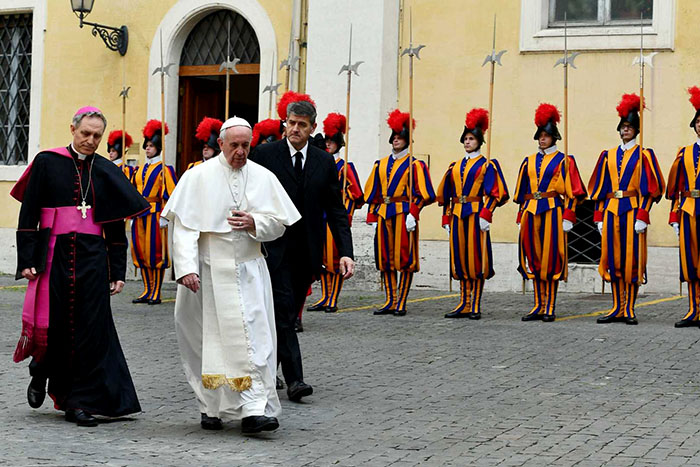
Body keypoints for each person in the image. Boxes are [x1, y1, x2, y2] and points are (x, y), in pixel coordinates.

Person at [11, 106, 149, 427]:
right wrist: (27, 260)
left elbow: (115, 227)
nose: (90, 140)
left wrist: (117, 271)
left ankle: (78, 401)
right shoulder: (47, 162)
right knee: (54, 324)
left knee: (88, 331)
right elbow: (29, 212)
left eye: (96, 136)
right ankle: (40, 370)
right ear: (72, 129)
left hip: (91, 259)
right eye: (85, 133)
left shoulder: (105, 170)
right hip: (53, 255)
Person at [163, 116, 300, 434]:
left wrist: (255, 223)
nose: (240, 152)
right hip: (206, 271)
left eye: (245, 146)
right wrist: (186, 269)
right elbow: (183, 228)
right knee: (202, 339)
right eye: (234, 145)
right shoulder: (197, 177)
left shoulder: (263, 177)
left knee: (256, 339)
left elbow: (278, 224)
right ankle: (210, 406)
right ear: (220, 144)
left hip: (248, 269)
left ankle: (253, 409)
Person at [249, 97, 355, 403]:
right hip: (271, 248)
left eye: (302, 125)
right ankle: (296, 379)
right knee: (283, 313)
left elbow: (335, 209)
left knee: (287, 312)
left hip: (307, 252)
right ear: (285, 122)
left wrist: (345, 251)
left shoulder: (324, 162)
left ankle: (269, 370)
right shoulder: (265, 155)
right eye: (291, 123)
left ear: (312, 128)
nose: (295, 129)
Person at [588, 93, 665, 325]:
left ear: (636, 130)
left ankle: (629, 308)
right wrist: (599, 217)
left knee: (631, 260)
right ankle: (615, 307)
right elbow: (600, 189)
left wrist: (643, 214)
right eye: (623, 127)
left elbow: (651, 188)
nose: (625, 131)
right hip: (612, 210)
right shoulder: (608, 155)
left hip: (632, 210)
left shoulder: (644, 155)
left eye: (630, 127)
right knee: (613, 259)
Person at [513, 103, 587, 322]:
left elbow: (574, 192)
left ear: (554, 137)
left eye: (546, 136)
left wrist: (569, 215)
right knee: (533, 258)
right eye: (540, 136)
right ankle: (538, 304)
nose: (542, 139)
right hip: (531, 211)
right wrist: (520, 216)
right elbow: (523, 192)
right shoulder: (529, 161)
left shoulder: (565, 161)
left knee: (551, 258)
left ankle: (550, 305)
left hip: (553, 211)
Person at [437, 108, 509, 319]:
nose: (468, 142)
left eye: (471, 139)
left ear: (479, 141)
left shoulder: (487, 165)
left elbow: (496, 193)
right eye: (466, 139)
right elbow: (446, 195)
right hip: (458, 214)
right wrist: (446, 217)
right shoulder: (455, 166)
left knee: (476, 259)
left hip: (476, 214)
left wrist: (487, 214)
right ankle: (463, 302)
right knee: (459, 259)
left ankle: (475, 303)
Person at [364, 109, 436, 316]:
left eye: (400, 137)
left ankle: (401, 301)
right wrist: (372, 215)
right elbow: (373, 193)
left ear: (407, 140)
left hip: (404, 215)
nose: (396, 140)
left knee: (404, 259)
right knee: (385, 259)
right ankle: (390, 299)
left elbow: (424, 193)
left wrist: (414, 212)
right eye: (394, 137)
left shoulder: (416, 165)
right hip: (384, 214)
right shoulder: (381, 164)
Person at [307, 113, 364, 313]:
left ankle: (333, 297)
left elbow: (357, 194)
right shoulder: (322, 164)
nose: (329, 145)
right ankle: (325, 295)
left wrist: (345, 213)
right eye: (327, 142)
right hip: (318, 217)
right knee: (322, 258)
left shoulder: (345, 167)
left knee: (334, 259)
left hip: (334, 217)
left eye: (332, 142)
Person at [130, 120, 178, 305]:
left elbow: (171, 195)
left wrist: (166, 216)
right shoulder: (139, 170)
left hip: (156, 215)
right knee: (141, 253)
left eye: (151, 146)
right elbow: (133, 193)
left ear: (158, 147)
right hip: (140, 214)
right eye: (147, 146)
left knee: (155, 254)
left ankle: (156, 291)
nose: (148, 149)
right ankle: (146, 290)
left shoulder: (165, 170)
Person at [667, 86, 700, 328]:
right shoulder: (684, 152)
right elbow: (676, 188)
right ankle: (693, 309)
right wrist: (674, 217)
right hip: (688, 209)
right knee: (689, 261)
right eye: (698, 121)